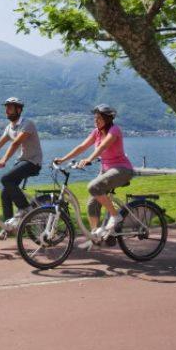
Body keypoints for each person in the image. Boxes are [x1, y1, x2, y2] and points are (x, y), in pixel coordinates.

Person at [53, 104, 134, 246]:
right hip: (106, 171)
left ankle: (116, 216)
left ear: (107, 119)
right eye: (95, 118)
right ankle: (95, 236)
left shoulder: (114, 130)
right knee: (91, 203)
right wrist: (63, 159)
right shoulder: (96, 132)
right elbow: (81, 147)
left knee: (93, 186)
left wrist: (89, 159)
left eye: (99, 118)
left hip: (121, 169)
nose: (96, 121)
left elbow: (103, 147)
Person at [0, 97, 43, 238]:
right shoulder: (9, 128)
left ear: (18, 110)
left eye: (10, 108)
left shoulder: (27, 124)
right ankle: (8, 228)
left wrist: (4, 160)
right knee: (5, 192)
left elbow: (15, 143)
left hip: (33, 162)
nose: (7, 111)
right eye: (6, 108)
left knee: (6, 179)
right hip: (21, 162)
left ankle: (25, 209)